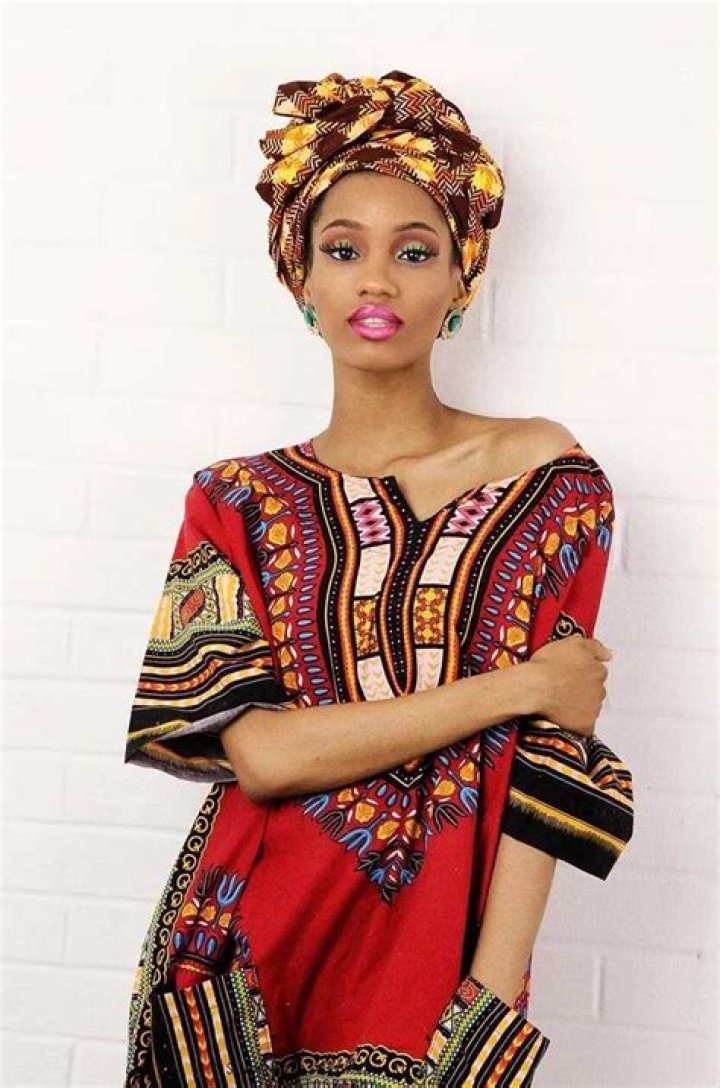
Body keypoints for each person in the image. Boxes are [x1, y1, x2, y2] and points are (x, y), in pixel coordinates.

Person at [123, 70, 635, 1087]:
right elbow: (262, 757)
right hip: (236, 963)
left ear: (460, 280)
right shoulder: (234, 500)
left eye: (414, 251)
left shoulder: (552, 481)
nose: (377, 282)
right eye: (343, 249)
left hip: (440, 972)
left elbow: (552, 756)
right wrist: (522, 685)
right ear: (300, 278)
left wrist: (492, 999)